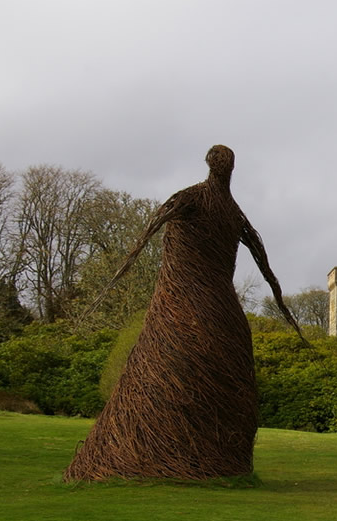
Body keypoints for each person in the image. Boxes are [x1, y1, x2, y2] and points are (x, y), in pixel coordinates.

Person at [65, 145, 303, 481]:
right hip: (205, 311)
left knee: (175, 376)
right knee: (167, 376)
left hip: (199, 311)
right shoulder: (222, 210)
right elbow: (267, 270)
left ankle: (205, 464)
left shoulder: (208, 205)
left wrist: (287, 313)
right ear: (219, 166)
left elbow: (266, 270)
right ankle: (194, 464)